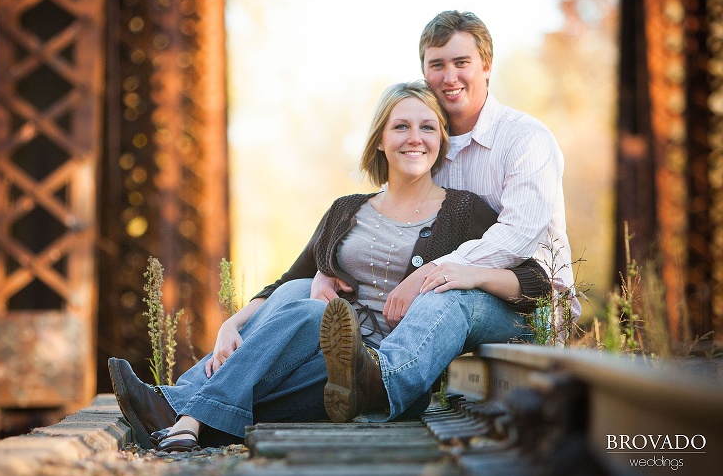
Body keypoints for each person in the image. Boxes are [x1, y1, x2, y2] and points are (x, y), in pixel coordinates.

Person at [109, 80, 551, 451]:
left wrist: (468, 272)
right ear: (381, 139)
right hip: (336, 366)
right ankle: (198, 418)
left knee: (309, 315)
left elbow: (536, 282)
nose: (414, 137)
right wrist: (232, 325)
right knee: (305, 305)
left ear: (440, 141)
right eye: (401, 126)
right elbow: (291, 279)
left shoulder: (464, 212)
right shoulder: (346, 210)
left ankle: (180, 409)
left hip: (385, 368)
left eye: (427, 127)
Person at [315, 10, 580, 423]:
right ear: (423, 69)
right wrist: (328, 267)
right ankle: (220, 396)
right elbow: (394, 219)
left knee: (448, 294)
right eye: (436, 65)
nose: (449, 77)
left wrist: (434, 270)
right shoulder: (430, 144)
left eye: (462, 63)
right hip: (442, 297)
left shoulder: (526, 140)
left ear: (487, 66)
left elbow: (518, 235)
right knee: (311, 303)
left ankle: (377, 385)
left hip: (529, 300)